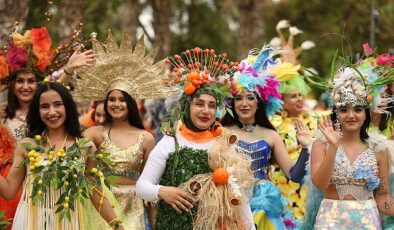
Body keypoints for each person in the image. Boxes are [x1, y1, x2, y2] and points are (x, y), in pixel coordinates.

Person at [136, 47, 255, 230]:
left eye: (211, 105)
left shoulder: (223, 144)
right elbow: (142, 186)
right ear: (186, 107)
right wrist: (162, 191)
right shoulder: (170, 142)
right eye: (199, 104)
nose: (206, 111)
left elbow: (240, 196)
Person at [74, 33, 175, 229]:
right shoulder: (94, 134)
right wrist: (69, 71)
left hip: (133, 209)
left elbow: (151, 186)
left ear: (131, 104)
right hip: (100, 207)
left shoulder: (146, 138)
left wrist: (154, 224)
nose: (116, 104)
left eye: (122, 100)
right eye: (112, 99)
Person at [0, 26, 94, 229]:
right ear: (12, 86)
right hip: (16, 181)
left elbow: (55, 96)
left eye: (31, 81)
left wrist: (68, 70)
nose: (25, 86)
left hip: (54, 191)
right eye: (19, 82)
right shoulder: (2, 113)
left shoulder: (49, 113)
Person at [0, 82, 123, 229]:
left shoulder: (84, 147)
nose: (52, 112)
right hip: (31, 221)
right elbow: (8, 191)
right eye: (44, 107)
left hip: (67, 222)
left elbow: (96, 193)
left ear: (68, 107)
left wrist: (117, 226)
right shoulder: (28, 145)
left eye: (57, 104)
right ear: (37, 111)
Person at [222, 46, 309, 229]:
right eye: (239, 99)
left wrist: (306, 148)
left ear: (259, 102)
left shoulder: (271, 135)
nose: (244, 104)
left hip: (264, 207)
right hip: (229, 203)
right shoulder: (221, 132)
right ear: (232, 103)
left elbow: (295, 176)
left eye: (250, 98)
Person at [311, 66, 394, 229]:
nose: (351, 115)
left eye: (357, 109)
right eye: (343, 110)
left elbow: (383, 198)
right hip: (329, 223)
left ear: (366, 114)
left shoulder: (379, 149)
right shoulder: (321, 144)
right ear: (336, 113)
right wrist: (334, 147)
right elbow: (320, 184)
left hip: (367, 223)